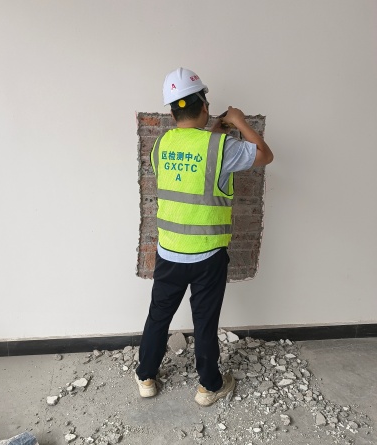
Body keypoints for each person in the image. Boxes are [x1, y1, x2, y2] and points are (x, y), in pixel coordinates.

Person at [135, 67, 273, 406]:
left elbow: (191, 164)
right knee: (205, 322)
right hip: (208, 255)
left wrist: (214, 133)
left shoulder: (161, 144)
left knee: (158, 316)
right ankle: (208, 387)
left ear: (172, 112)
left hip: (169, 251)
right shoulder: (222, 147)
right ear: (206, 106)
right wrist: (239, 122)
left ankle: (146, 377)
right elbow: (265, 155)